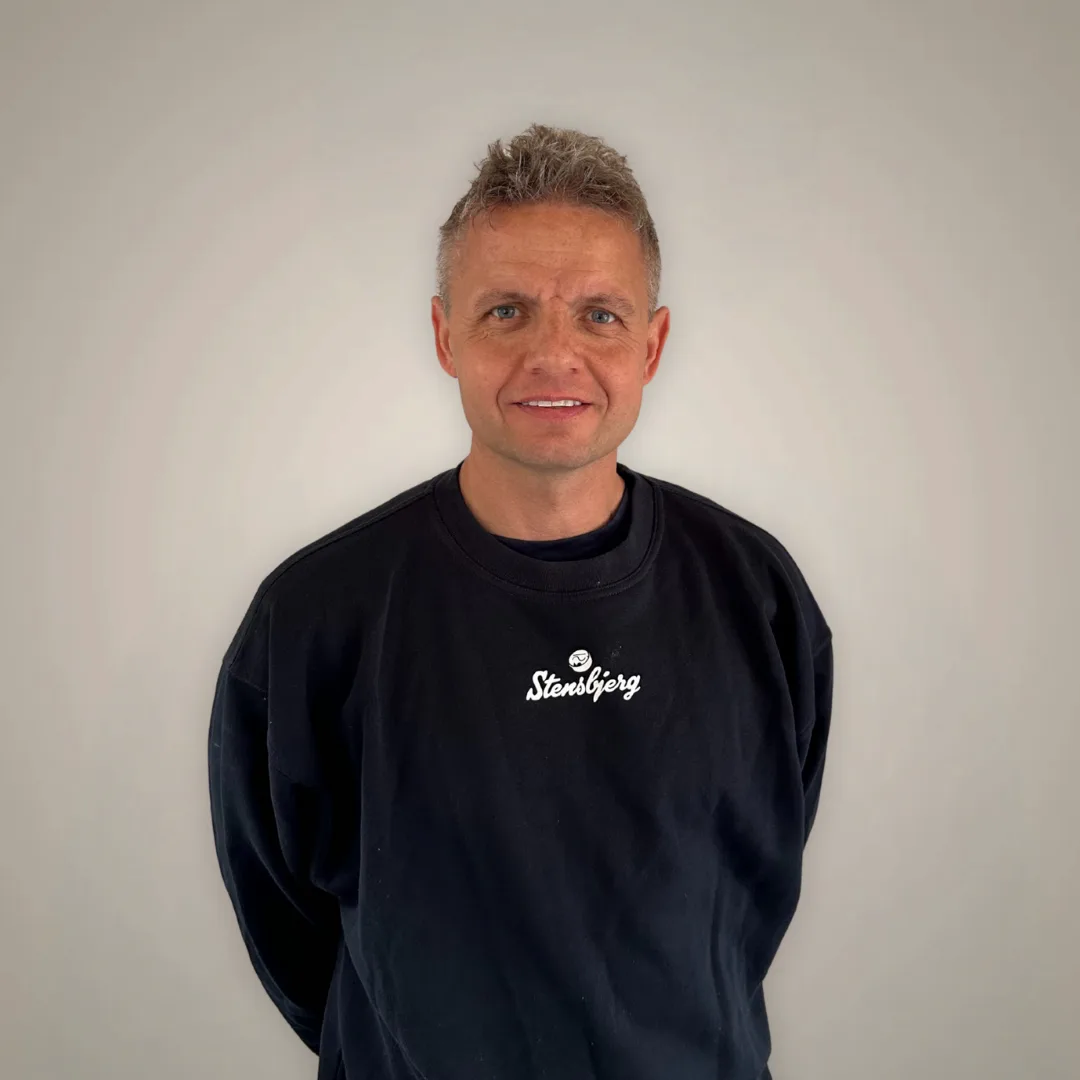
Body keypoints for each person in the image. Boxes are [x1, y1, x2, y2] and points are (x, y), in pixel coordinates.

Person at [208, 122, 833, 1080]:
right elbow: (285, 917)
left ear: (653, 344)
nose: (554, 354)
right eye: (506, 311)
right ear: (444, 335)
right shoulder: (315, 617)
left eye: (600, 315)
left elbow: (754, 884)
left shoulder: (757, 594)